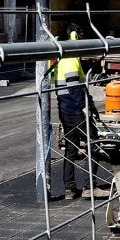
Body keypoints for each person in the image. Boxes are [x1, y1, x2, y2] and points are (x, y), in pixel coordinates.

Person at [51, 42, 91, 200]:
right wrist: (84, 107)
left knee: (71, 150)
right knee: (93, 143)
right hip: (74, 110)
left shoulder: (62, 57)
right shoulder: (70, 57)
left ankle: (69, 189)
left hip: (65, 110)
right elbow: (74, 86)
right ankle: (89, 186)